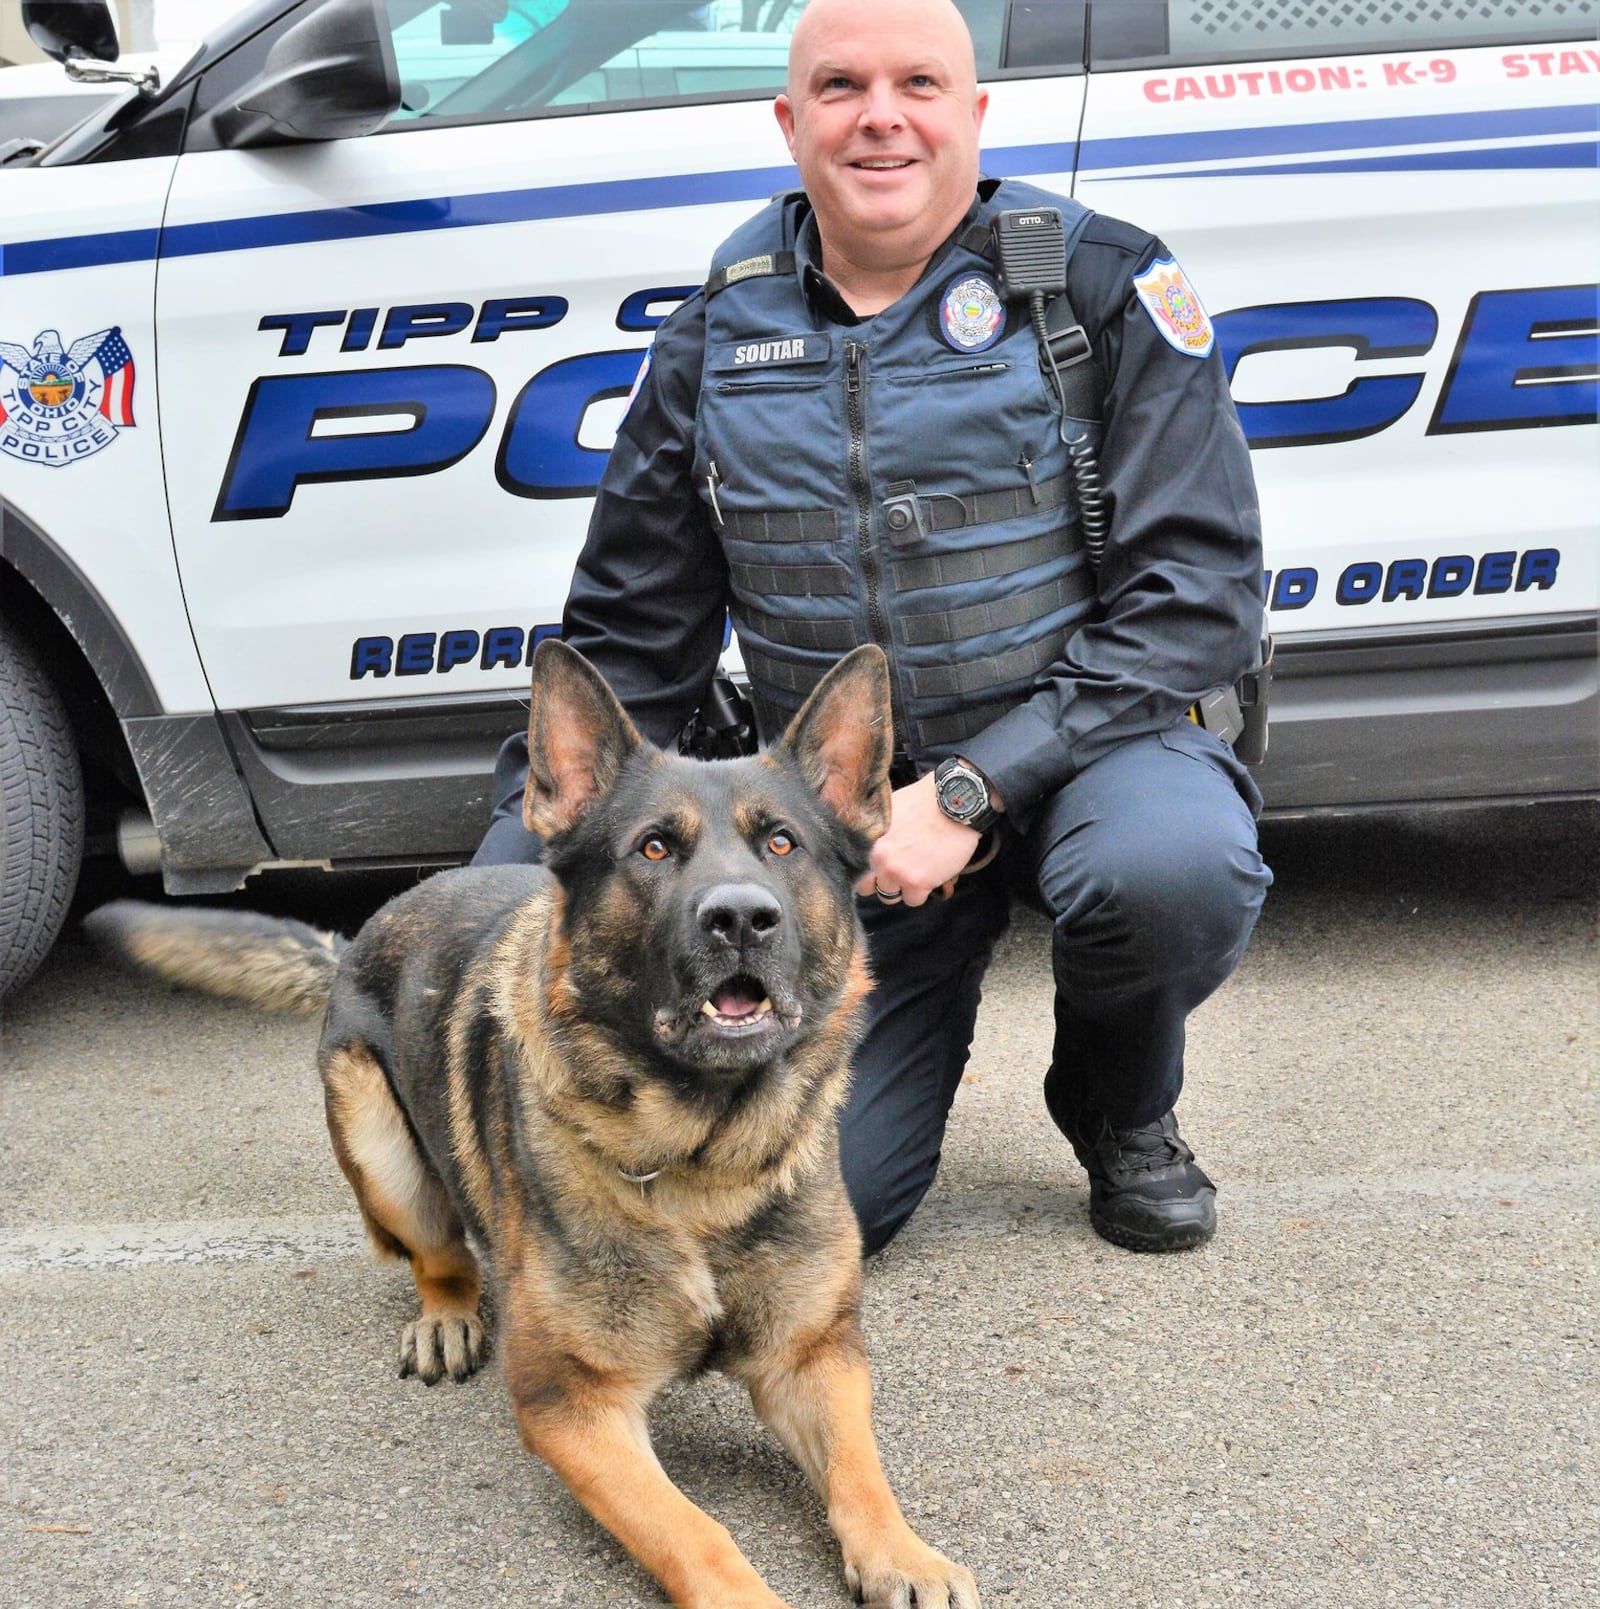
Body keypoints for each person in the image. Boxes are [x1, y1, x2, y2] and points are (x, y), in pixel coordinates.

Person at [477, 0, 1272, 1257]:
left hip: (1090, 749)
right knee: (812, 1208)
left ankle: (1122, 1103)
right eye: (841, 88)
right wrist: (512, 889)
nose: (881, 116)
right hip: (841, 811)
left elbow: (1202, 596)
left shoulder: (1095, 285)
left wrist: (964, 792)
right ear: (790, 123)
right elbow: (631, 639)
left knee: (1169, 874)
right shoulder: (716, 341)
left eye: (919, 82)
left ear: (974, 113)